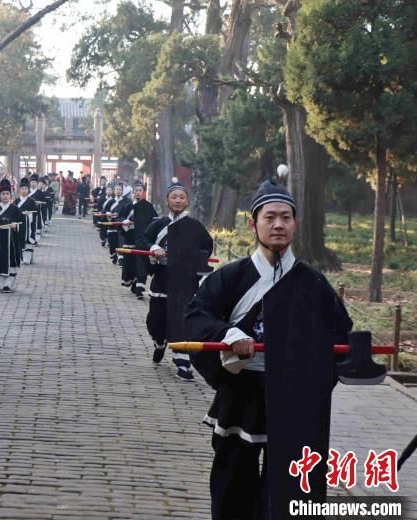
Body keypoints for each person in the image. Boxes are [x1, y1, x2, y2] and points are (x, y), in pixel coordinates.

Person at [183, 179, 352, 520]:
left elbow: (340, 336)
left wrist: (314, 373)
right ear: (253, 223)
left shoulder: (312, 282)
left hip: (293, 398)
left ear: (296, 223)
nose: (278, 224)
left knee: (290, 488)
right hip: (242, 392)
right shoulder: (232, 276)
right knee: (233, 485)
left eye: (286, 217)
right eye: (270, 217)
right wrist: (228, 335)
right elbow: (195, 315)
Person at [137, 182, 213, 381]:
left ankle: (182, 362)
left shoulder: (195, 227)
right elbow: (143, 240)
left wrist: (196, 267)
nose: (178, 200)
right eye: (174, 197)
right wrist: (153, 248)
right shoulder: (159, 224)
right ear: (167, 200)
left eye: (181, 197)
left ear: (187, 201)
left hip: (184, 282)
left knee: (181, 321)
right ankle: (159, 343)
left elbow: (206, 248)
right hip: (162, 279)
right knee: (156, 319)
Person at [117, 181, 157, 299]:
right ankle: (133, 283)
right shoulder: (128, 206)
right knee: (130, 264)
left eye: (140, 191)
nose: (138, 193)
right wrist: (124, 222)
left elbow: (155, 221)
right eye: (136, 191)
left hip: (143, 240)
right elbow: (120, 217)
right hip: (130, 239)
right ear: (133, 192)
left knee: (141, 264)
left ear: (143, 192)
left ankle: (140, 288)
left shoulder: (148, 207)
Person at [0, 179, 23, 292]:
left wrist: (15, 225)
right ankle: (0, 283)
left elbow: (22, 223)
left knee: (11, 259)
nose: (5, 196)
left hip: (11, 240)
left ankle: (8, 284)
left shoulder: (15, 209)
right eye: (3, 194)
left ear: (10, 194)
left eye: (7, 194)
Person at [15, 177, 39, 264]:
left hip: (29, 223)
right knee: (19, 239)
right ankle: (20, 257)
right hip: (19, 224)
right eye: (22, 189)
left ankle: (28, 258)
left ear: (28, 190)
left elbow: (36, 212)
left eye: (25, 189)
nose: (24, 190)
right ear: (20, 190)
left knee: (28, 238)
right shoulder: (16, 201)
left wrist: (29, 214)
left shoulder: (31, 201)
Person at [105, 183, 129, 264]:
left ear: (122, 191)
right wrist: (108, 213)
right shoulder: (111, 201)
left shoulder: (126, 202)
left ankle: (120, 257)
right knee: (112, 242)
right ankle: (114, 254)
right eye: (117, 189)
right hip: (112, 225)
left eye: (120, 190)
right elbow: (104, 211)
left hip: (121, 226)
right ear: (114, 191)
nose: (118, 191)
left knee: (121, 241)